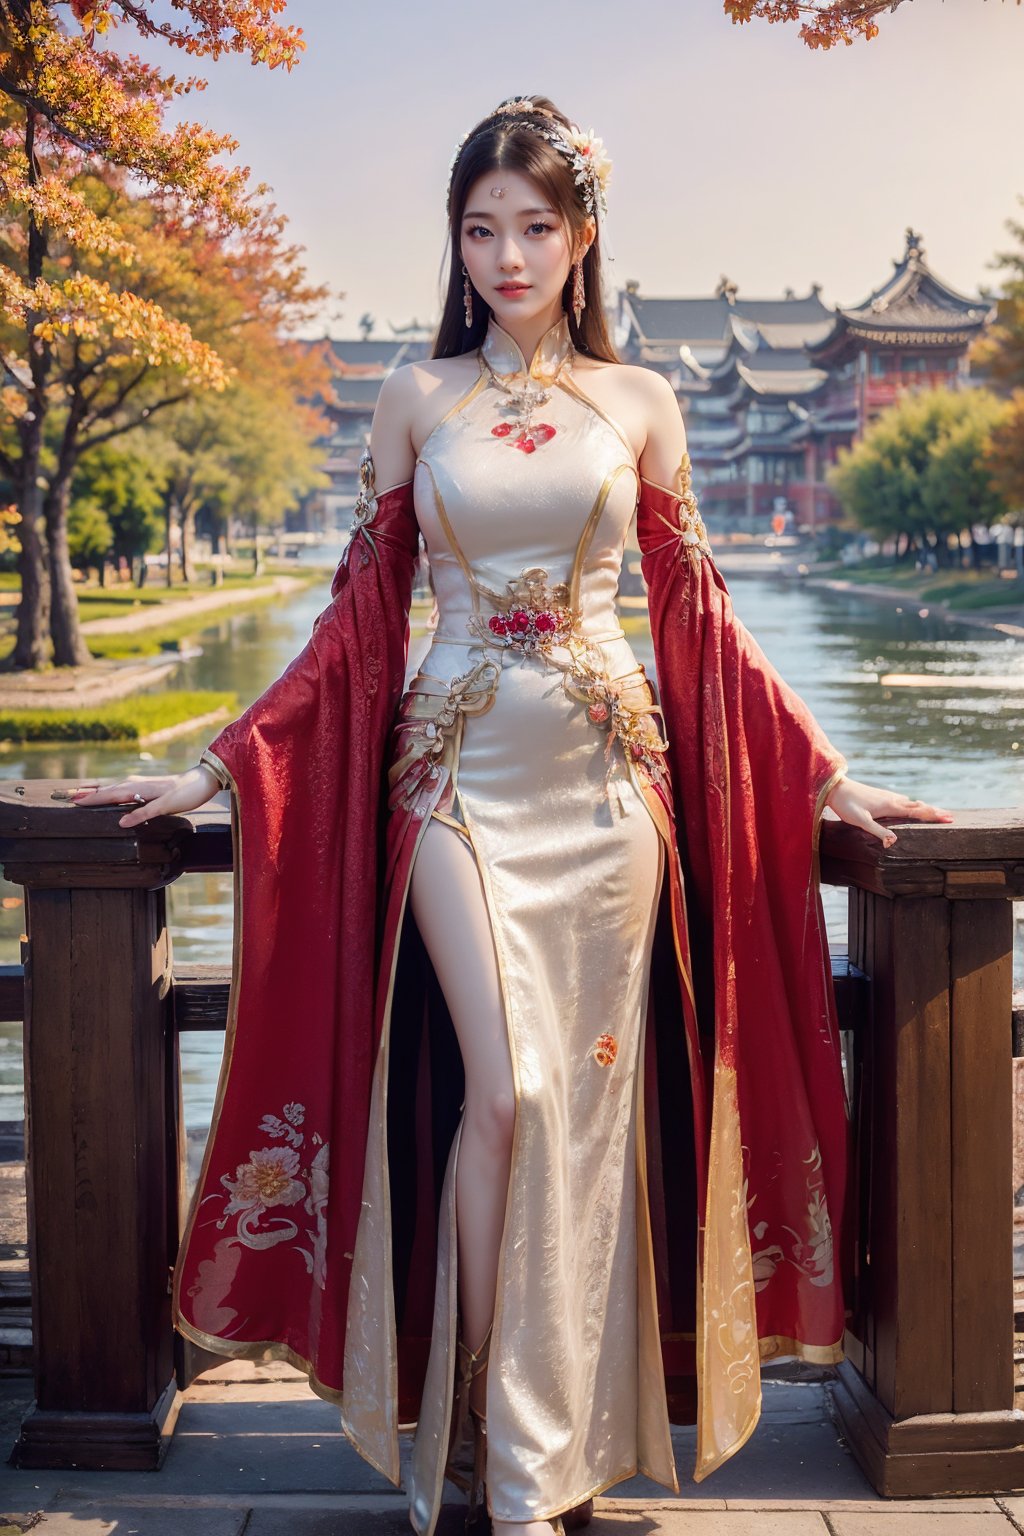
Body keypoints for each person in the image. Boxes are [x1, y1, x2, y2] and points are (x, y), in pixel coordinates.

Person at [70, 94, 952, 1536]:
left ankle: (547, 1455)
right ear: (459, 243)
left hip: (615, 787)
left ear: (582, 235)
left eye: (533, 228)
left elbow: (702, 627)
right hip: (456, 774)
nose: (506, 254)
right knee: (508, 1094)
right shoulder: (416, 398)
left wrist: (822, 772)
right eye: (480, 230)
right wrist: (223, 768)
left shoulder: (644, 406)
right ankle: (480, 1435)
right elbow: (360, 619)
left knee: (592, 1113)